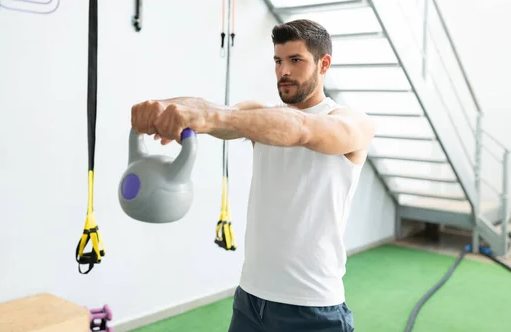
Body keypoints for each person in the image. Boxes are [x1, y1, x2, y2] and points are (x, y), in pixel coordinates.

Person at [131, 19, 375, 331]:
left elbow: (302, 129)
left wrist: (209, 117)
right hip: (250, 300)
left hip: (313, 307)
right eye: (278, 61)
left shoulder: (351, 123)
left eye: (295, 60)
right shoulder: (263, 117)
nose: (283, 71)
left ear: (323, 64)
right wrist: (161, 107)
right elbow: (215, 109)